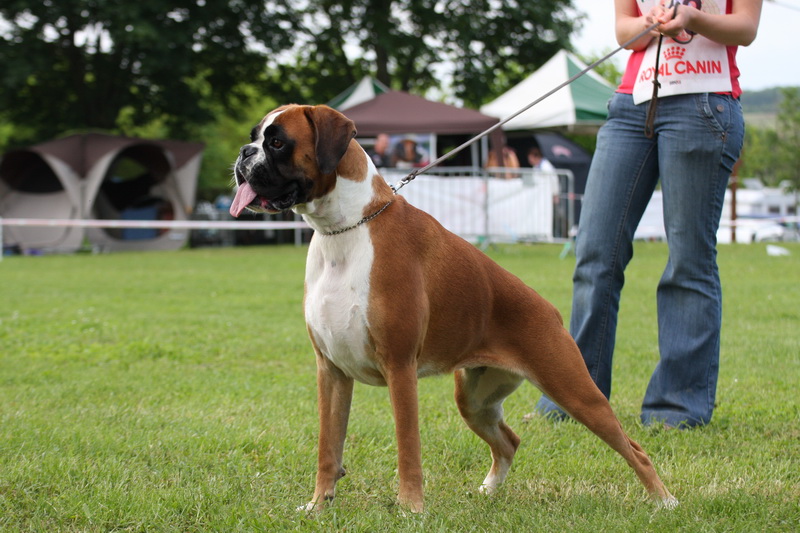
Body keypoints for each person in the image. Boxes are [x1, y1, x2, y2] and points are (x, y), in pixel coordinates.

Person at [534, 0, 762, 428]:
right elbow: (625, 33)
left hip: (705, 103)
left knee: (688, 262)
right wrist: (648, 23)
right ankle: (575, 396)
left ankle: (676, 408)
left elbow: (745, 28)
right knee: (595, 254)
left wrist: (693, 19)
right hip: (630, 105)